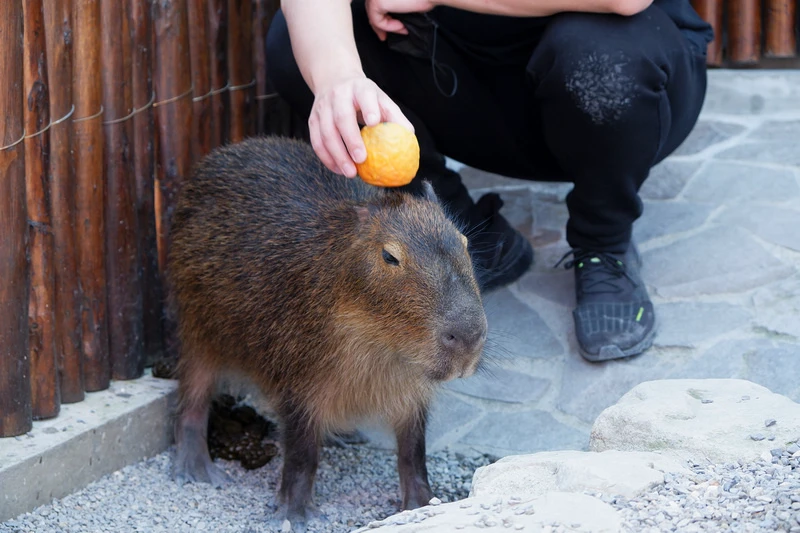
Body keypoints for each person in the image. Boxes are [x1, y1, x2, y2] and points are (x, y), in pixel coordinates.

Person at [264, 0, 713, 362]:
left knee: (596, 52)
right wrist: (339, 80)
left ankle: (604, 246)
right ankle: (459, 232)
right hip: (465, 79)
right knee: (301, 45)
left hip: (616, 80)